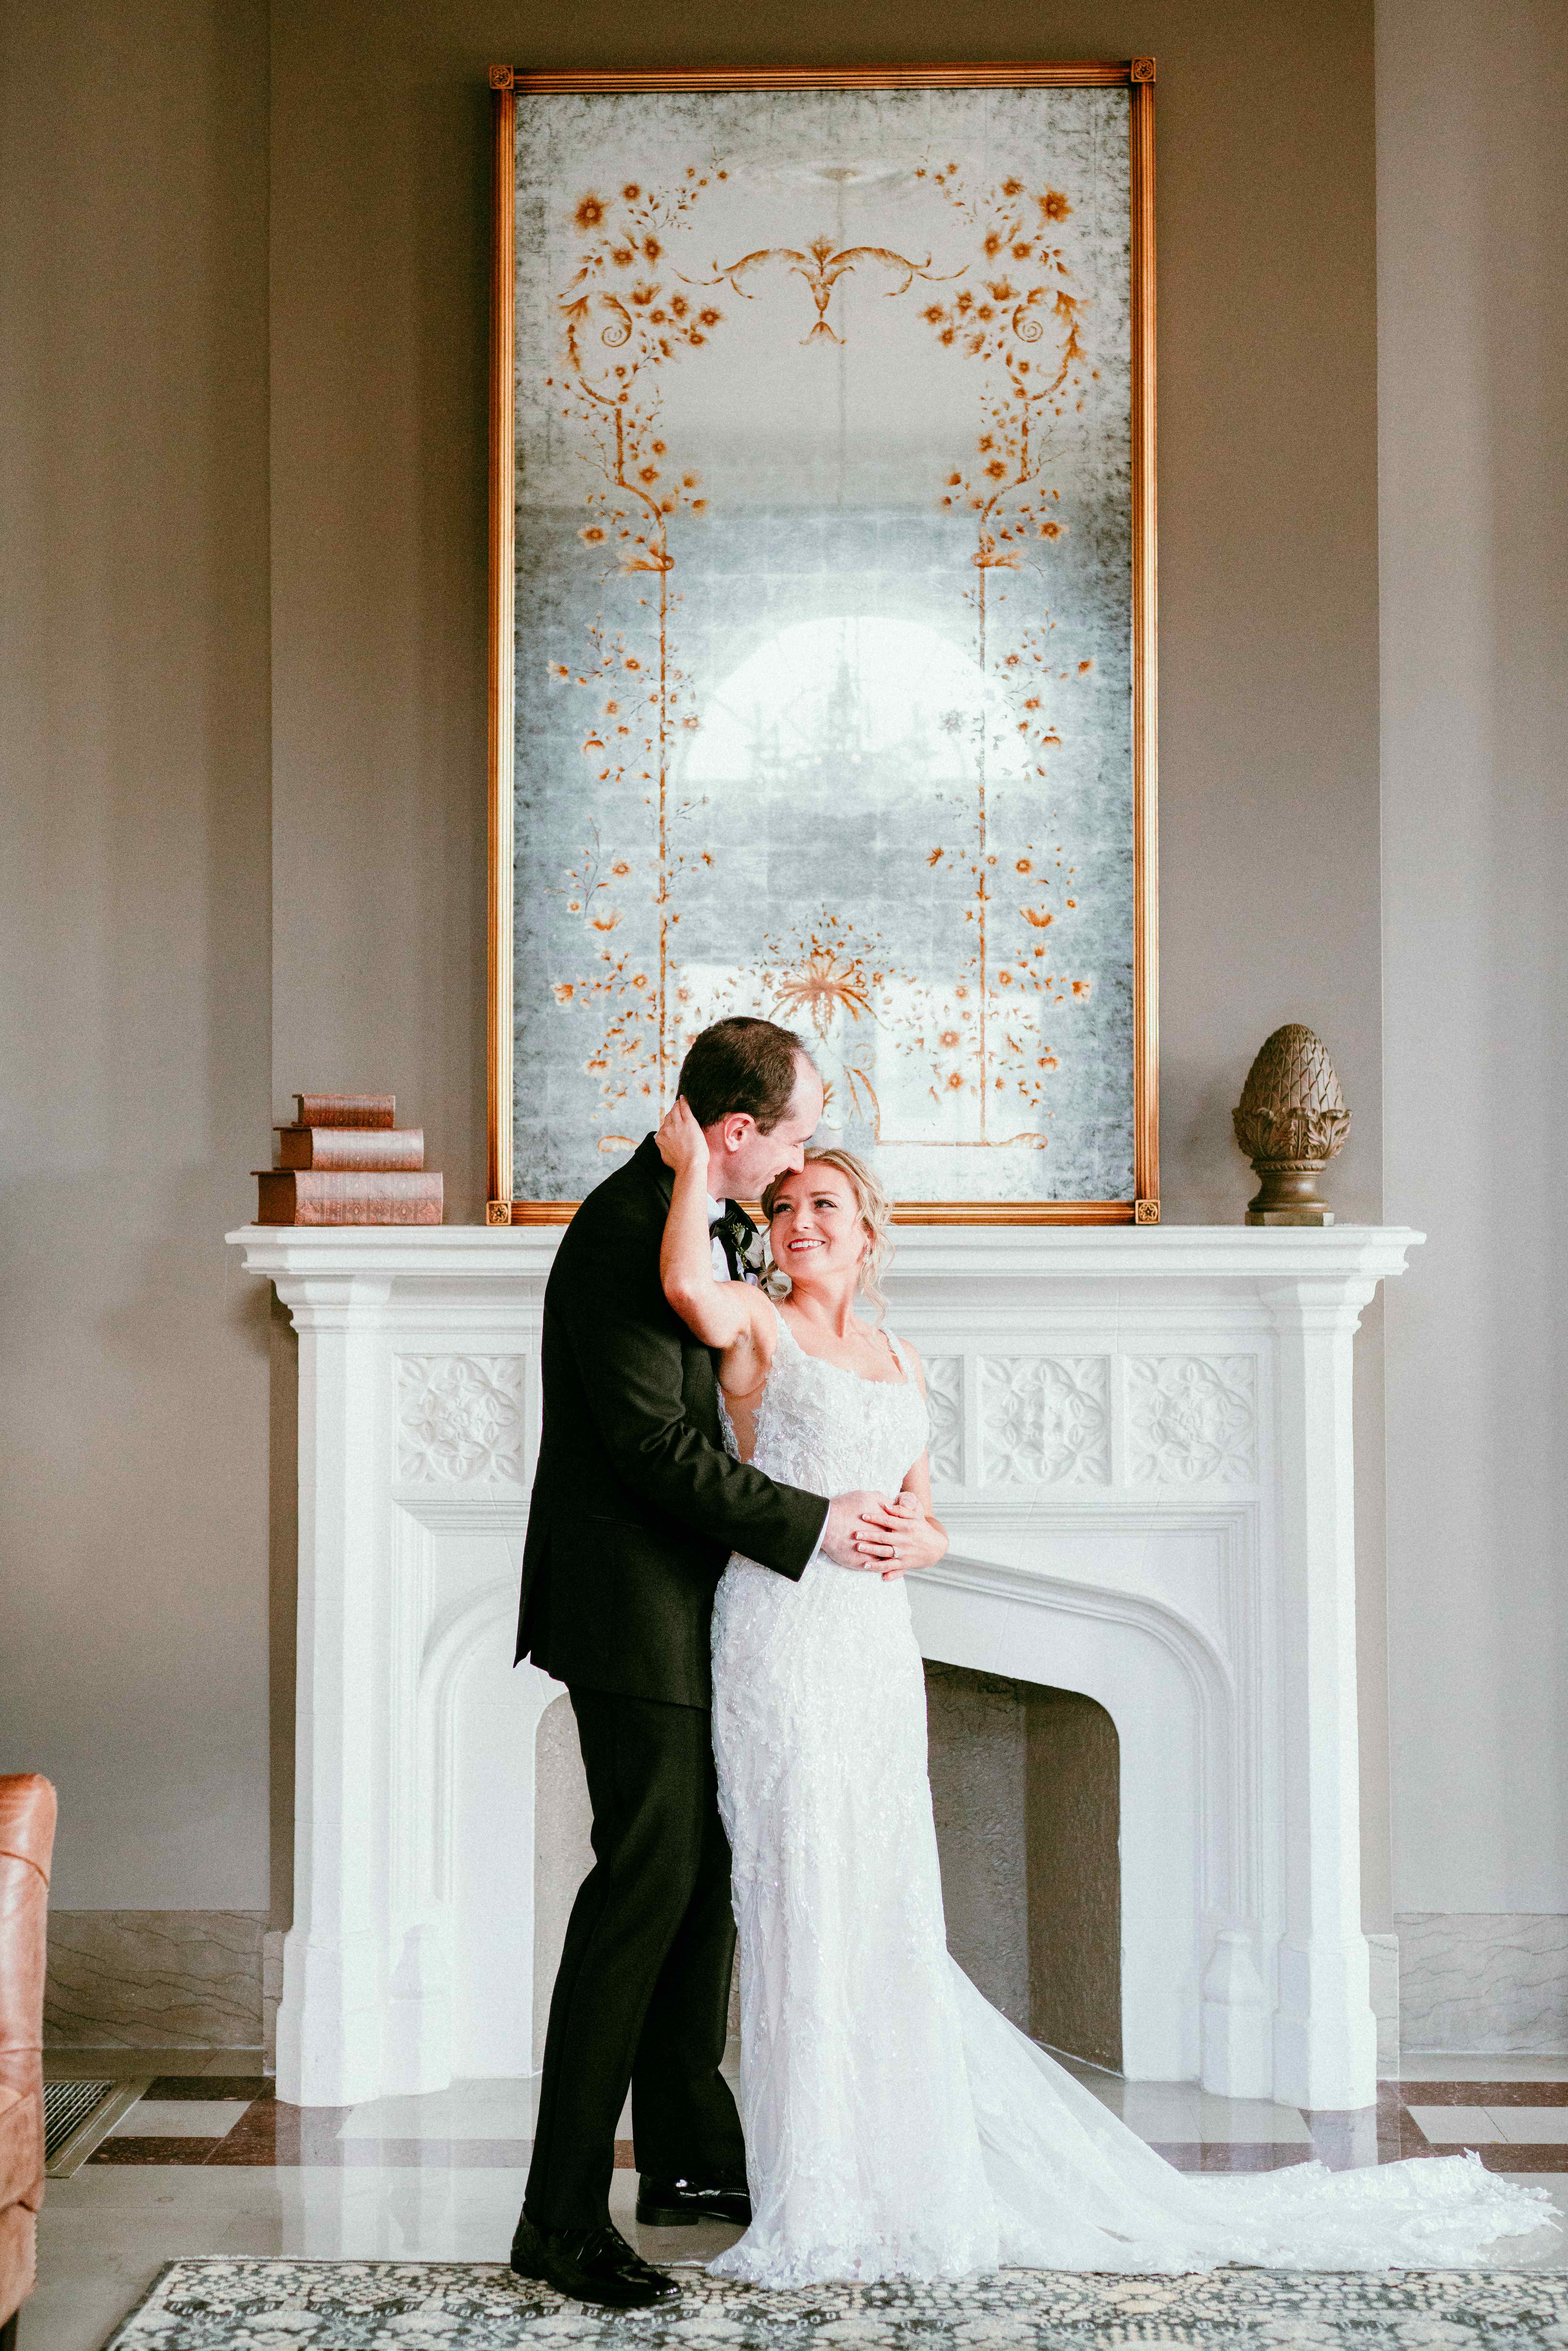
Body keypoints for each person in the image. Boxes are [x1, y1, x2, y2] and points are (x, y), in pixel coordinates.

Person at [653, 1104, 1553, 2283]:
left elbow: (927, 1516)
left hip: (871, 1636)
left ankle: (896, 2158)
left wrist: (912, 1545)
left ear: (867, 1230)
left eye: (823, 1203)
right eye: (783, 1207)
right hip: (777, 1635)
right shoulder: (758, 1333)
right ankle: (815, 2176)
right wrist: (686, 1172)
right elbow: (683, 1284)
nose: (799, 1220)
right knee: (798, 1889)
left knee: (879, 1893)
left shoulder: (899, 1357)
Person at [509, 1017, 911, 2312]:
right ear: (735, 1132)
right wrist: (811, 1525)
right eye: (790, 1135)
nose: (798, 1162)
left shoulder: (689, 1216)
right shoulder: (624, 1235)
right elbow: (651, 1456)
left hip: (697, 1611)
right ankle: (557, 2219)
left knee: (707, 1877)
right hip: (625, 1612)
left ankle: (684, 2157)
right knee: (646, 1885)